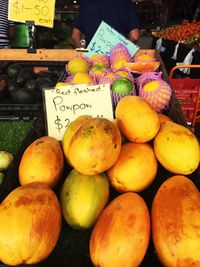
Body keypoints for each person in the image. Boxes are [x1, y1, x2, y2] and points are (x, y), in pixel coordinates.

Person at [72, 0, 140, 48]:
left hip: (93, 61)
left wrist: (84, 56)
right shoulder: (125, 2)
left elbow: (75, 36)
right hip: (118, 62)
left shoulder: (86, 2)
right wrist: (124, 54)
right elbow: (134, 36)